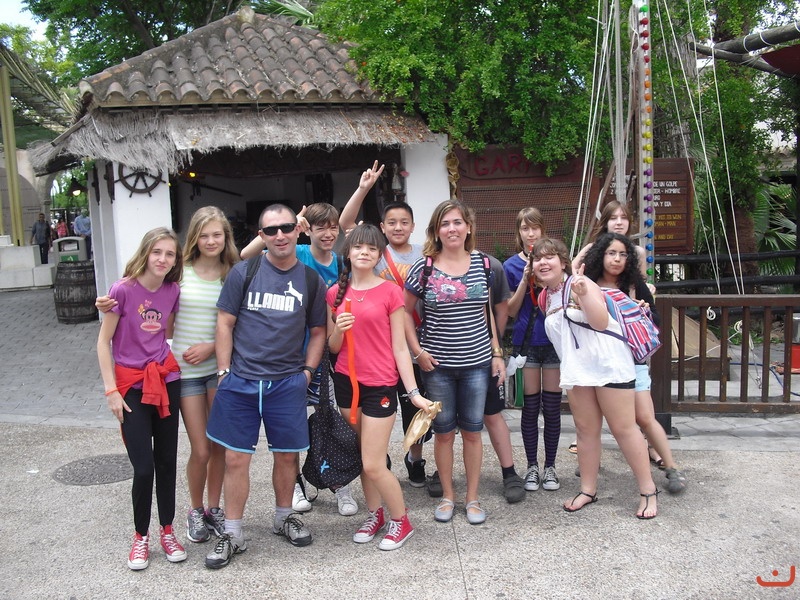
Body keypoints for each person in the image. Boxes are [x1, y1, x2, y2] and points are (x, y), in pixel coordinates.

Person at [97, 207, 241, 543]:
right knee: (200, 449)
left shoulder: (232, 273)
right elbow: (149, 309)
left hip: (218, 368)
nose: (210, 241)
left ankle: (213, 508)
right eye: (203, 235)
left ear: (226, 238)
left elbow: (238, 321)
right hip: (182, 372)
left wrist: (212, 347)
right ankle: (194, 510)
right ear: (193, 238)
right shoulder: (178, 276)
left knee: (219, 446)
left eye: (217, 235)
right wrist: (108, 304)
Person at [204, 204, 327, 569]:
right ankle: (233, 532)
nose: (280, 235)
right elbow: (224, 323)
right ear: (261, 236)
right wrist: (223, 372)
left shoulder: (310, 280)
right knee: (235, 458)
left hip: (287, 382)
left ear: (298, 230)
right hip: (241, 381)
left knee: (287, 456)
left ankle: (283, 516)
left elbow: (319, 331)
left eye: (286, 227)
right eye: (271, 230)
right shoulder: (245, 271)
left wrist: (307, 372)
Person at [531, 237, 659, 519]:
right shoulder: (544, 297)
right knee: (585, 430)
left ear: (563, 262)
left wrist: (583, 293)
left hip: (608, 363)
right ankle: (588, 490)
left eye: (550, 257)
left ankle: (648, 490)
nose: (543, 262)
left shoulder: (581, 283)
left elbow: (600, 322)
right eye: (537, 258)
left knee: (624, 428)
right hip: (578, 370)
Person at [327, 223, 435, 550]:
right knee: (365, 457)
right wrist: (339, 330)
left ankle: (401, 521)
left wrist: (413, 393)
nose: (364, 252)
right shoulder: (334, 293)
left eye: (372, 248)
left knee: (374, 462)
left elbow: (400, 347)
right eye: (358, 246)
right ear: (348, 252)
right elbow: (333, 348)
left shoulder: (390, 291)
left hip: (381, 386)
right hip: (346, 384)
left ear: (379, 256)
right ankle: (375, 514)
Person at [404, 200, 505, 525]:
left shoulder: (485, 265)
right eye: (445, 223)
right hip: (437, 368)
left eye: (457, 222)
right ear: (436, 231)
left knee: (473, 433)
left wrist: (497, 353)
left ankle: (472, 498)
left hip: (477, 364)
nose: (452, 229)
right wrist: (418, 352)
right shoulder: (423, 268)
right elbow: (404, 312)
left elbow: (488, 313)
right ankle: (448, 495)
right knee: (444, 433)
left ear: (468, 227)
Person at [96, 227, 186, 570]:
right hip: (131, 386)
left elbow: (167, 333)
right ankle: (140, 536)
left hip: (165, 380)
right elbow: (103, 342)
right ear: (145, 253)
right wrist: (111, 391)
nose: (162, 259)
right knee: (144, 467)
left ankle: (167, 530)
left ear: (175, 260)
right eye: (157, 252)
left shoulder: (172, 291)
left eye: (169, 254)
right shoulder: (122, 289)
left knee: (166, 461)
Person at [338, 167, 433, 489]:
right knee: (377, 408)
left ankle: (415, 458)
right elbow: (346, 223)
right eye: (391, 222)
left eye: (404, 222)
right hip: (380, 343)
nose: (398, 227)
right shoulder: (376, 250)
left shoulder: (424, 254)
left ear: (413, 226)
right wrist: (363, 188)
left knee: (413, 405)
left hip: (415, 338)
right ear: (382, 227)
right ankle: (379, 459)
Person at [582, 232, 687, 494]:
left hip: (632, 360)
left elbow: (656, 320)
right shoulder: (588, 283)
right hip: (599, 361)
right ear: (600, 255)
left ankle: (671, 467)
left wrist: (642, 309)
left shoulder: (633, 283)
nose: (617, 259)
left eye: (622, 254)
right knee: (591, 421)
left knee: (644, 416)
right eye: (611, 253)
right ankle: (589, 465)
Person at [504, 208, 563, 493]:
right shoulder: (511, 266)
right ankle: (531, 466)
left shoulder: (552, 261)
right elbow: (511, 310)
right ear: (518, 232)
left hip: (553, 343)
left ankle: (550, 466)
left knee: (551, 408)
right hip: (526, 343)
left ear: (542, 229)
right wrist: (524, 278)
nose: (530, 234)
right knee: (529, 408)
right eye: (525, 228)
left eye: (535, 228)